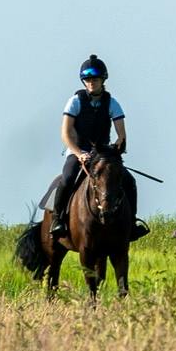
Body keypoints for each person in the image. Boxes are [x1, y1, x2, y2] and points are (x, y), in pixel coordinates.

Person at [44, 55, 125, 240]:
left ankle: (132, 223)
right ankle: (57, 219)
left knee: (128, 181)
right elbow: (65, 134)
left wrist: (114, 150)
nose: (91, 83)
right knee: (67, 178)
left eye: (95, 79)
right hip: (77, 151)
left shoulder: (112, 103)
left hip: (103, 154)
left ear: (103, 80)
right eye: (87, 80)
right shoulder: (75, 101)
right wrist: (79, 153)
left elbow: (121, 134)